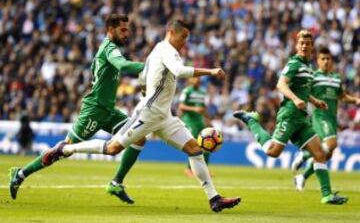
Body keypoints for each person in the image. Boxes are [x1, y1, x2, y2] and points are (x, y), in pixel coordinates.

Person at [41, 19, 241, 212]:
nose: (185, 41)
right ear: (171, 32)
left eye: (187, 37)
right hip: (149, 112)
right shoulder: (166, 50)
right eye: (183, 36)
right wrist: (211, 71)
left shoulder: (157, 50)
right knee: (113, 148)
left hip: (164, 116)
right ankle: (66, 149)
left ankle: (214, 198)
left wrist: (146, 88)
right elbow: (179, 71)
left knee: (195, 150)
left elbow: (144, 74)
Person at [9, 14, 146, 204]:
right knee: (63, 150)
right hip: (95, 110)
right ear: (110, 30)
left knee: (140, 136)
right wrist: (151, 66)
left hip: (109, 111)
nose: (127, 34)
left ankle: (117, 182)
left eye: (127, 29)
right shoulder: (109, 49)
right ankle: (21, 174)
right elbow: (123, 66)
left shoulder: (109, 50)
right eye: (122, 30)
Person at [233, 30, 348, 205]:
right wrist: (294, 99)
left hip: (302, 119)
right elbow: (281, 84)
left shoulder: (308, 67)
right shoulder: (294, 63)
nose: (304, 46)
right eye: (301, 43)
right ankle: (252, 121)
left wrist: (315, 102)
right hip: (289, 114)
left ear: (311, 47)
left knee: (319, 153)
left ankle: (326, 195)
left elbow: (304, 91)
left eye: (307, 44)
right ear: (296, 45)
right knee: (273, 152)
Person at [291, 47, 360, 190]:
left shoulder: (336, 78)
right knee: (332, 143)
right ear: (318, 61)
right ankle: (303, 155)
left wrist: (355, 100)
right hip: (319, 116)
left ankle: (302, 177)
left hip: (332, 118)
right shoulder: (314, 76)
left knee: (325, 156)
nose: (326, 62)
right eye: (323, 59)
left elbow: (341, 96)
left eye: (328, 59)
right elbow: (304, 92)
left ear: (332, 61)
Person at [179, 77, 212, 177]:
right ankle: (190, 169)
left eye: (198, 78)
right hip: (189, 120)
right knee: (194, 144)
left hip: (200, 121)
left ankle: (205, 170)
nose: (197, 80)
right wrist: (194, 109)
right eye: (195, 78)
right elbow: (181, 106)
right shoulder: (187, 91)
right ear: (190, 80)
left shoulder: (202, 92)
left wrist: (208, 120)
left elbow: (203, 108)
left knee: (207, 144)